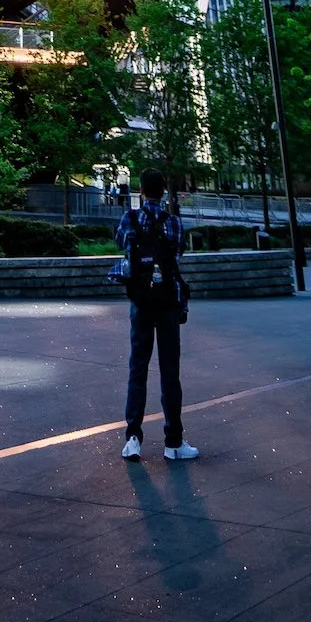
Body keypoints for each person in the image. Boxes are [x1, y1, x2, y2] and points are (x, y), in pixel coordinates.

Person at [117, 167, 196, 461]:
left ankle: (133, 438)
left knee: (138, 369)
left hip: (140, 302)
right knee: (169, 372)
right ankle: (173, 442)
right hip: (167, 304)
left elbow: (120, 244)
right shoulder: (173, 222)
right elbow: (177, 256)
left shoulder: (130, 218)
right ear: (163, 191)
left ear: (141, 191)